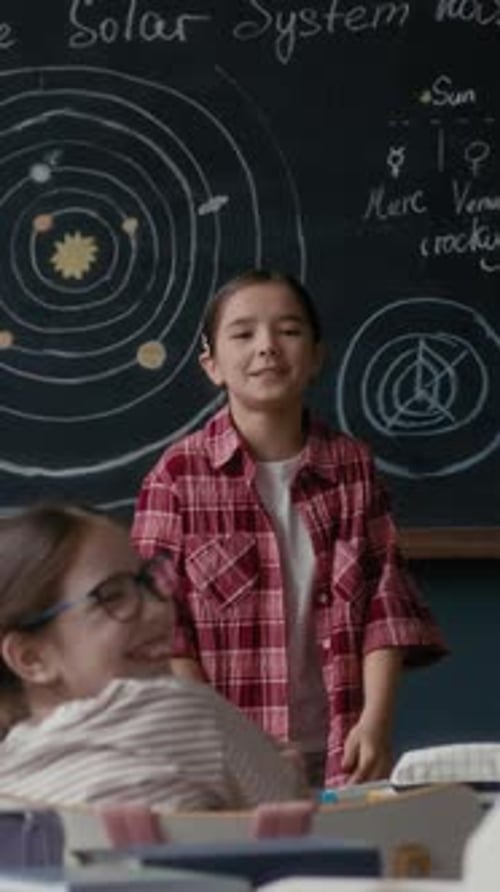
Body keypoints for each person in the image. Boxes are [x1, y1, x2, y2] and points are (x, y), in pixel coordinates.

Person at [132, 269, 447, 788]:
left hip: (339, 746)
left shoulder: (351, 467)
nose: (267, 346)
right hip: (220, 757)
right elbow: (162, 631)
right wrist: (228, 743)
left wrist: (375, 722)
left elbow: (384, 605)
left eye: (289, 330)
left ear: (317, 356)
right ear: (212, 365)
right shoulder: (176, 477)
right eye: (243, 333)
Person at [0, 503, 306, 810]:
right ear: (31, 658)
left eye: (148, 581)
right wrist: (285, 772)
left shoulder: (10, 775)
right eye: (112, 596)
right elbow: (291, 806)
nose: (158, 609)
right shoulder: (185, 711)